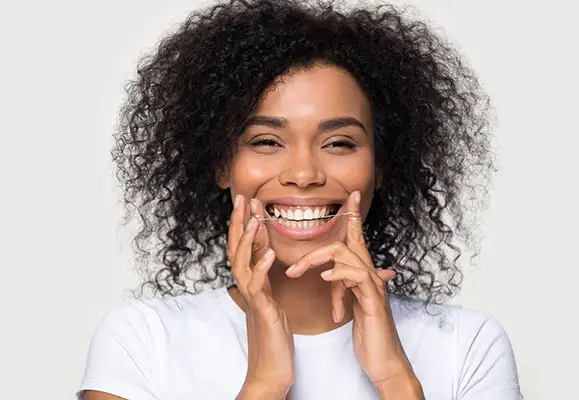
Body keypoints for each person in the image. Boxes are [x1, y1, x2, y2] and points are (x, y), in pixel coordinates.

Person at [78, 0, 523, 398]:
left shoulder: (468, 346)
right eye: (267, 141)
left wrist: (394, 379)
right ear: (220, 165)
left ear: (383, 166)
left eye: (339, 143)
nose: (304, 174)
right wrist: (266, 382)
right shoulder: (141, 342)